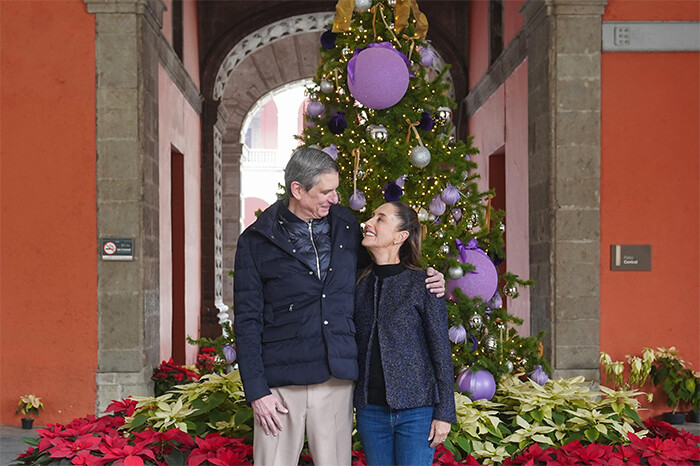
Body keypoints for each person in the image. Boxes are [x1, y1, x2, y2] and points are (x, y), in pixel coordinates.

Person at [233, 147, 445, 466]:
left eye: (336, 190)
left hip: (335, 378)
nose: (335, 199)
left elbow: (380, 270)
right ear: (298, 190)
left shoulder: (345, 225)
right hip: (279, 382)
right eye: (326, 192)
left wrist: (429, 277)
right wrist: (256, 391)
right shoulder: (256, 240)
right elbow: (247, 319)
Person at [354, 201, 456, 466]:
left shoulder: (424, 284)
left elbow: (441, 352)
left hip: (417, 412)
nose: (369, 221)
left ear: (401, 236)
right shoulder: (358, 284)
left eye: (380, 219)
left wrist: (444, 413)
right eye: (372, 216)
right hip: (370, 412)